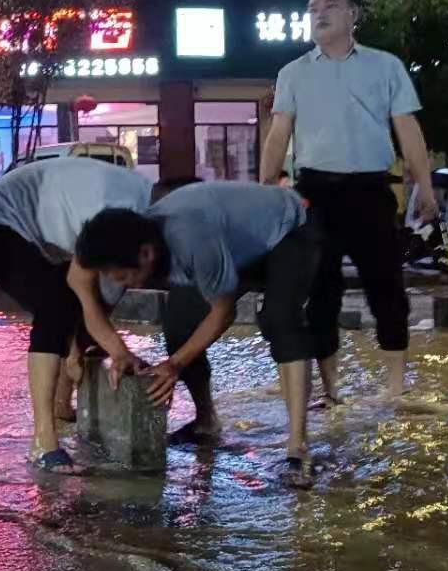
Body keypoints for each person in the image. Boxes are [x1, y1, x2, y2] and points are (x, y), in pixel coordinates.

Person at [73, 182, 325, 488]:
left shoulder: (191, 238)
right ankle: (206, 421)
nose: (125, 284)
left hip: (288, 227)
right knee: (180, 328)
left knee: (281, 319)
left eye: (125, 277)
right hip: (233, 247)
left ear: (146, 254)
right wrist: (116, 353)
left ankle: (298, 448)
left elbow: (223, 312)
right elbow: (95, 309)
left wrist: (175, 364)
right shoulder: (128, 245)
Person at [259, 0, 438, 404]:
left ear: (353, 14)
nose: (319, 13)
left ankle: (395, 387)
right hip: (313, 192)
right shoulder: (293, 73)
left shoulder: (385, 66)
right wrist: (266, 187)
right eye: (312, 7)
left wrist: (425, 184)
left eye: (331, 5)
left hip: (371, 189)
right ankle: (330, 390)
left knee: (386, 285)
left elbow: (407, 129)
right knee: (321, 291)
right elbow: (278, 133)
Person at [0, 156, 156, 475]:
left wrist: (110, 351)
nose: (134, 285)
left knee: (67, 306)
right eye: (125, 277)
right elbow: (87, 298)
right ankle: (43, 441)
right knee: (54, 305)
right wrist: (116, 350)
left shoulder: (133, 222)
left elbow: (98, 305)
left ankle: (61, 405)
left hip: (29, 233)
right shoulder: (114, 221)